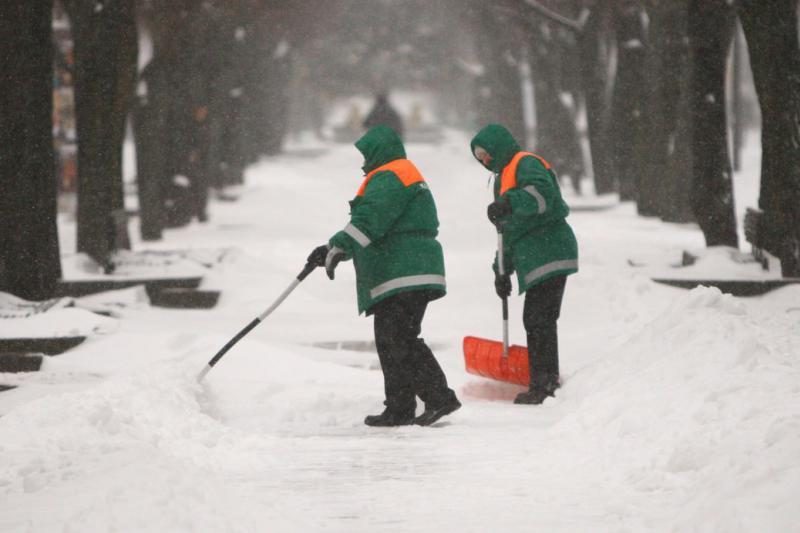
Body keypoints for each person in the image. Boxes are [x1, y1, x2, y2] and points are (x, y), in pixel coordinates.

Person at [307, 125, 461, 427]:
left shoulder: (391, 175)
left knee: (398, 339)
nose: (364, 160)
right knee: (393, 340)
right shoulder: (397, 174)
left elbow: (370, 221)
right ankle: (401, 407)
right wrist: (331, 249)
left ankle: (438, 397)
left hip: (404, 271)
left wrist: (338, 245)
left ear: (379, 151)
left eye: (366, 153)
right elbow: (374, 227)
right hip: (405, 270)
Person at [469, 124, 579, 405]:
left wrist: (510, 202)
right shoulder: (502, 178)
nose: (484, 161)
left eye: (485, 154)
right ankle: (543, 380)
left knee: (539, 318)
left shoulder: (525, 162)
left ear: (498, 147)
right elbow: (507, 232)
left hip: (550, 247)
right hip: (536, 254)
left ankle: (545, 384)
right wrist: (501, 271)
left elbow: (544, 197)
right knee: (537, 318)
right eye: (479, 157)